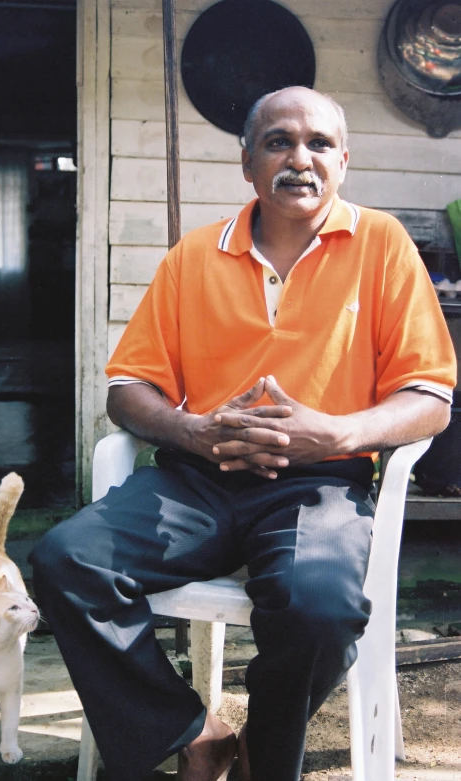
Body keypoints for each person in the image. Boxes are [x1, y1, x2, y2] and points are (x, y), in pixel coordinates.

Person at [31, 87, 456, 781]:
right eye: (277, 141)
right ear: (246, 163)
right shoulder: (194, 257)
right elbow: (126, 389)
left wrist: (336, 432)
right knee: (64, 559)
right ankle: (188, 730)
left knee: (319, 607)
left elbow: (430, 397)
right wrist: (190, 430)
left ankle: (265, 750)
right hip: (195, 477)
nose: (299, 158)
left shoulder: (381, 246)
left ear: (342, 161)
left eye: (318, 143)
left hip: (320, 484)